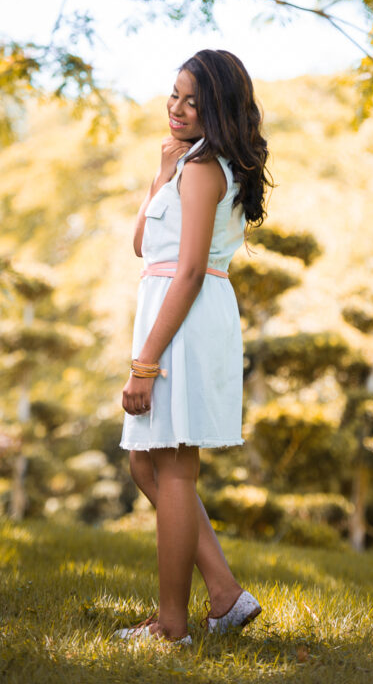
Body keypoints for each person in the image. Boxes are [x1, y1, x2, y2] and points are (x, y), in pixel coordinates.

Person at [114, 49, 271, 645]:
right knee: (146, 463)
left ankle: (172, 626)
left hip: (184, 318)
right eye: (174, 95)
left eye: (193, 102)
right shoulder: (186, 165)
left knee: (173, 467)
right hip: (173, 310)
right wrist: (160, 172)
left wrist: (145, 365)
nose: (177, 110)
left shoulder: (206, 170)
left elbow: (187, 272)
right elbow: (142, 246)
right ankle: (226, 594)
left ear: (218, 109)